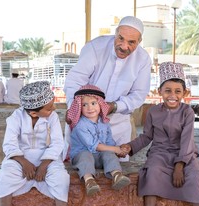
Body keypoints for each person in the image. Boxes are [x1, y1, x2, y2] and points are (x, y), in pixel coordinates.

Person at [120, 62, 199, 206]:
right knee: (152, 172)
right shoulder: (153, 112)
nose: (173, 95)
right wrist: (130, 148)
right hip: (160, 152)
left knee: (195, 175)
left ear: (185, 93)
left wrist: (180, 165)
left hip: (185, 153)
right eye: (168, 90)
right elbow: (147, 137)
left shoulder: (188, 112)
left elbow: (188, 139)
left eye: (178, 91)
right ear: (159, 91)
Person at [0, 81, 78, 206]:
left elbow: (58, 143)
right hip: (20, 158)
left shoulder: (53, 117)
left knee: (61, 178)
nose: (53, 110)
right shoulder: (15, 117)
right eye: (49, 108)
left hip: (48, 158)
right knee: (5, 175)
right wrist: (24, 162)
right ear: (34, 112)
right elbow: (9, 145)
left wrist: (44, 164)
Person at [64, 16, 152, 161]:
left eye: (131, 42)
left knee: (115, 167)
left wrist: (114, 106)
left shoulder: (143, 59)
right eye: (121, 39)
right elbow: (74, 81)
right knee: (81, 165)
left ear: (139, 41)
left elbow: (138, 95)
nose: (124, 46)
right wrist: (76, 109)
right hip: (84, 121)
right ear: (115, 34)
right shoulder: (95, 47)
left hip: (117, 125)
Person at [68, 84, 131, 196]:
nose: (90, 108)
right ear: (79, 108)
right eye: (84, 105)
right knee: (85, 156)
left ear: (100, 104)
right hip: (82, 155)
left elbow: (109, 141)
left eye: (93, 103)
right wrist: (116, 149)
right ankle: (89, 181)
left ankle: (116, 175)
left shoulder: (104, 122)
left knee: (109, 154)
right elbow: (94, 145)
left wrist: (118, 150)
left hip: (99, 156)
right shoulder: (80, 125)